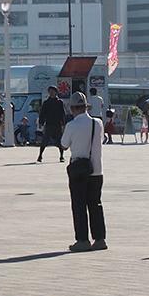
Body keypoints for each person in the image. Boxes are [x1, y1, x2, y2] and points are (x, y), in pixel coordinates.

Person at [61, 91, 105, 252]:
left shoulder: (72, 125)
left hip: (79, 171)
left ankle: (82, 240)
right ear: (86, 107)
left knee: (79, 206)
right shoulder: (97, 123)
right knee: (95, 205)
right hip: (96, 170)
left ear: (72, 109)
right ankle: (100, 239)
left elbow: (64, 144)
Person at [36, 85, 67, 163]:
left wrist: (63, 123)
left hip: (57, 125)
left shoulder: (60, 102)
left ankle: (61, 156)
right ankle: (40, 156)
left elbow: (62, 113)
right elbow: (42, 113)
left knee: (59, 142)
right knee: (44, 141)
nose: (51, 93)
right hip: (49, 124)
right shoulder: (46, 102)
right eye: (50, 92)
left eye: (53, 91)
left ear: (56, 92)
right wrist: (41, 122)